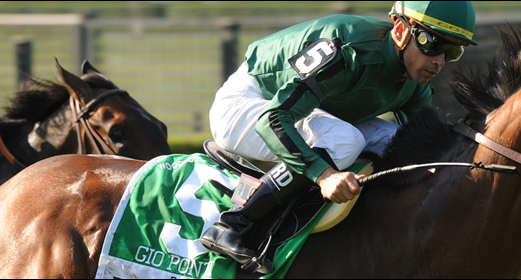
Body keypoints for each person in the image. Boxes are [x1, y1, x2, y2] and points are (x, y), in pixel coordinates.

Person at [200, 1, 478, 274]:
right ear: (401, 30)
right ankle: (235, 223)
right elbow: (273, 118)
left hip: (307, 111)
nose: (439, 61)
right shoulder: (345, 51)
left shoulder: (415, 83)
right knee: (345, 140)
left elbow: (425, 149)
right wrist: (324, 176)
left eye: (452, 51)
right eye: (432, 44)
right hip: (248, 104)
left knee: (394, 141)